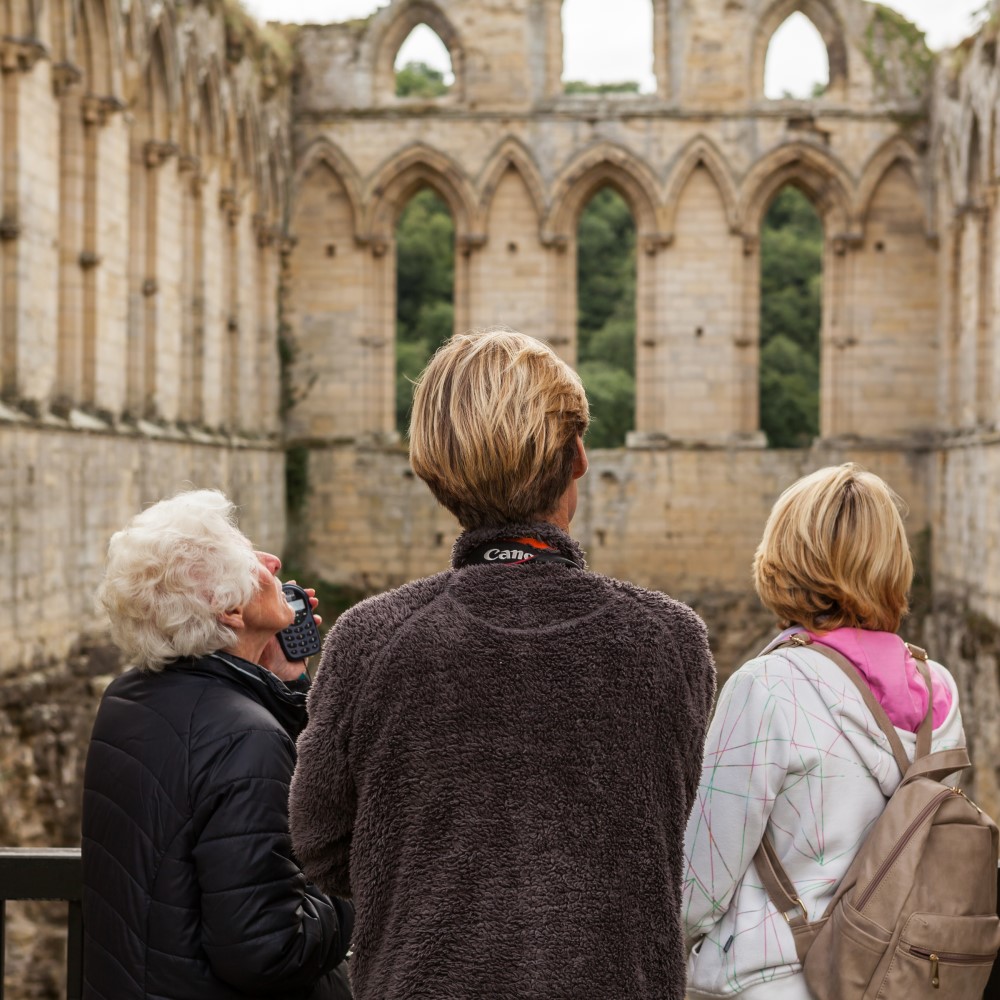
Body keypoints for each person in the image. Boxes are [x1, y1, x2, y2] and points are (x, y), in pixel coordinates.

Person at [289, 327, 717, 1000]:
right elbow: (666, 821)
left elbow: (320, 845)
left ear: (435, 472)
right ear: (577, 457)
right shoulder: (669, 640)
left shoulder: (369, 640)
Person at [682, 463, 965, 1000]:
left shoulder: (767, 686)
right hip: (892, 979)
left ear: (784, 561)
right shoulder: (937, 689)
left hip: (775, 980)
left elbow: (699, 883)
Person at [81, 489, 354, 1000]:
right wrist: (350, 892)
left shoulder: (128, 697)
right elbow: (268, 950)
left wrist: (284, 684)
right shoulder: (244, 737)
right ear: (229, 609)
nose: (272, 563)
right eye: (251, 560)